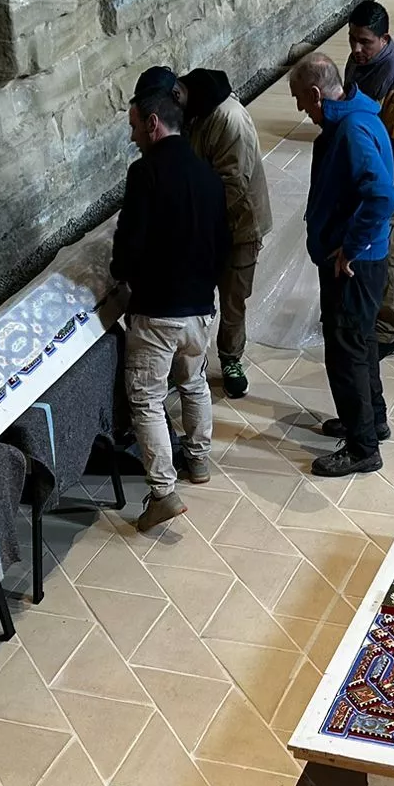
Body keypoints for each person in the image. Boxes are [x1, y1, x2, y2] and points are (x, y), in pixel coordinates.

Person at [111, 69, 231, 531]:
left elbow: (130, 243)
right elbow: (222, 241)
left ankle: (162, 492)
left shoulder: (145, 173)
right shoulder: (207, 174)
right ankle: (199, 461)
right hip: (200, 309)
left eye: (135, 123)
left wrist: (125, 275)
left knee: (145, 398)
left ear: (154, 123)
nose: (132, 133)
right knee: (194, 382)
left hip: (157, 311)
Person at [291, 52, 394, 478]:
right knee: (362, 342)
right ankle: (371, 420)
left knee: (345, 353)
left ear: (317, 93)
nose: (301, 109)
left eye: (301, 100)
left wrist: (350, 247)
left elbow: (381, 196)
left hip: (352, 265)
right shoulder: (355, 117)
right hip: (361, 261)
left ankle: (361, 448)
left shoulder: (351, 129)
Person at [177, 67, 272, 400]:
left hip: (240, 226)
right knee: (197, 294)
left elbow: (232, 185)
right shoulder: (196, 112)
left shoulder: (229, 120)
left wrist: (197, 225)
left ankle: (231, 359)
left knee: (233, 297)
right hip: (207, 222)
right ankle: (191, 359)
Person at [345, 0, 394, 361]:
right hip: (361, 182)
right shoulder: (358, 64)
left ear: (385, 38)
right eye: (352, 40)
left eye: (365, 42)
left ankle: (390, 330)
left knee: (387, 253)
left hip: (386, 189)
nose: (356, 50)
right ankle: (368, 310)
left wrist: (390, 199)